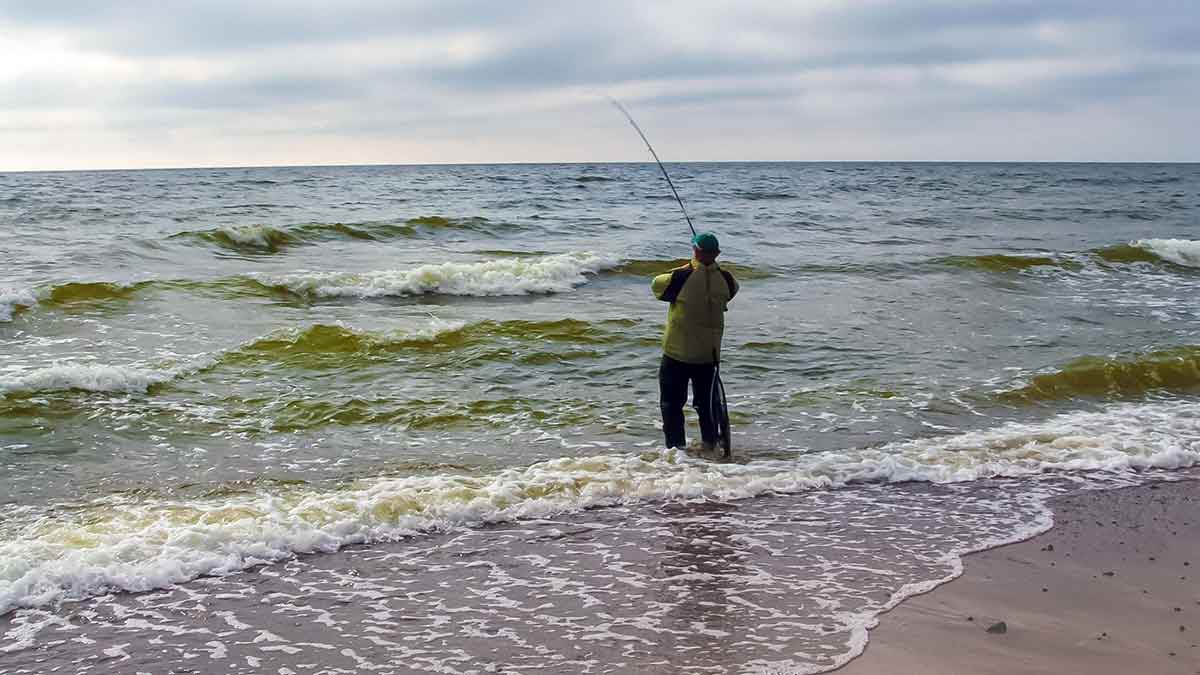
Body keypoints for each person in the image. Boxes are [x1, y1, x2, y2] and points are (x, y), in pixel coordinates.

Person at [651, 231, 738, 450]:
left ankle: (676, 449)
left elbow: (656, 286)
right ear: (717, 253)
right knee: (708, 405)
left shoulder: (679, 277)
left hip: (677, 352)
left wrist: (687, 266)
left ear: (695, 250)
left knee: (671, 405)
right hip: (709, 355)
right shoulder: (727, 280)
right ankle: (710, 445)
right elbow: (731, 292)